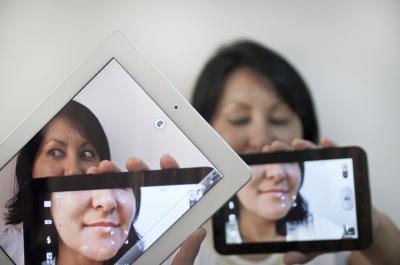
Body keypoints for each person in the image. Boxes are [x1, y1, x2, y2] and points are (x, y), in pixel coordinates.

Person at [191, 40, 400, 265]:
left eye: (279, 118)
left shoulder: (338, 232)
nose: (262, 137)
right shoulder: (184, 238)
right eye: (239, 119)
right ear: (204, 129)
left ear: (304, 128)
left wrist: (373, 226)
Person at [0, 100, 206, 265]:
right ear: (29, 167)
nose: (73, 171)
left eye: (87, 153)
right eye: (55, 151)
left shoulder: (154, 254)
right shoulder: (6, 249)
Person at [225, 162, 343, 244]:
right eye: (260, 159)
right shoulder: (208, 243)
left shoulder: (326, 232)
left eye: (289, 159)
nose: (277, 173)